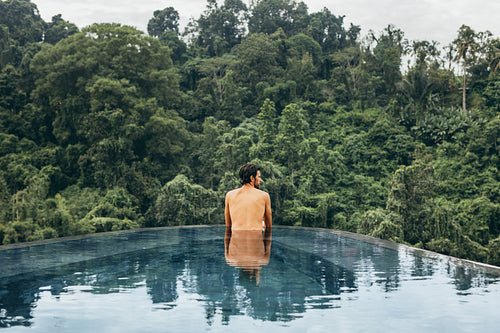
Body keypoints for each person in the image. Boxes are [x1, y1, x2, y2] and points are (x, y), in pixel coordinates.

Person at [225, 163, 272, 231]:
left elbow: (228, 227)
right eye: (259, 177)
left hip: (236, 240)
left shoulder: (229, 195)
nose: (260, 180)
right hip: (255, 240)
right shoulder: (264, 196)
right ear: (252, 178)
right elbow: (268, 227)